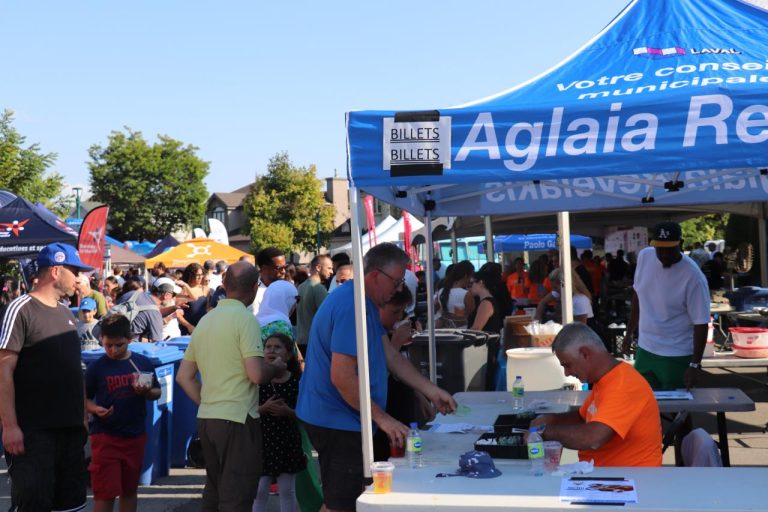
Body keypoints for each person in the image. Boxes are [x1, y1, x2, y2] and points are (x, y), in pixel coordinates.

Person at [296, 243, 457, 512]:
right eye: (396, 280)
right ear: (375, 276)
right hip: (336, 419)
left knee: (348, 499)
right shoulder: (351, 306)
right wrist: (384, 419)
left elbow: (390, 357)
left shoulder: (365, 303)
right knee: (340, 504)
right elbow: (342, 377)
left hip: (343, 417)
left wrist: (430, 390)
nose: (399, 288)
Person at [176, 261, 287, 512]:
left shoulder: (206, 320)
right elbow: (257, 374)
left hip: (208, 418)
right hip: (237, 419)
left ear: (224, 285)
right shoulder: (246, 320)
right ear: (254, 288)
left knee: (215, 491)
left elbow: (184, 377)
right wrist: (277, 368)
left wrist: (207, 403)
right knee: (236, 495)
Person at [0, 242, 93, 511]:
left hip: (71, 431)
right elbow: (3, 369)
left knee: (70, 505)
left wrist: (82, 415)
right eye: (74, 270)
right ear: (55, 270)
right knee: (34, 504)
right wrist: (10, 425)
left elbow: (73, 368)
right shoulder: (21, 309)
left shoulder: (66, 312)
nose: (78, 278)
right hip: (34, 433)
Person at [530, 323, 662, 467]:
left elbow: (593, 438)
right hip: (607, 475)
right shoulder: (606, 379)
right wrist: (551, 419)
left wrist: (544, 432)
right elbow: (582, 418)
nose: (566, 373)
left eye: (568, 365)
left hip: (630, 481)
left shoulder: (623, 384)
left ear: (585, 353)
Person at [85, 314, 161, 512]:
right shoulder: (97, 368)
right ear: (102, 339)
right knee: (104, 493)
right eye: (108, 345)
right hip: (105, 437)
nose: (113, 350)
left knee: (129, 490)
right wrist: (95, 409)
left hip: (134, 435)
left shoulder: (142, 363)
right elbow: (81, 398)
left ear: (129, 338)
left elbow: (157, 392)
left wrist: (146, 392)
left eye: (119, 345)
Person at [625, 221, 710, 390]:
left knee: (679, 410)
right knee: (643, 404)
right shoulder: (645, 257)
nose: (664, 254)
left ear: (681, 244)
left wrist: (695, 364)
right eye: (660, 248)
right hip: (646, 348)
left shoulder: (694, 277)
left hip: (677, 354)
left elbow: (701, 323)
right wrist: (629, 332)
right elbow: (638, 296)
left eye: (670, 249)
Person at [252, 333, 305, 512]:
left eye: (277, 347)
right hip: (262, 442)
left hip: (287, 442)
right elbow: (247, 410)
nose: (271, 350)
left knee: (286, 490)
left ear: (289, 355)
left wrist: (288, 412)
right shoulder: (258, 380)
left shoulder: (296, 381)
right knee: (259, 490)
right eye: (268, 347)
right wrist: (264, 408)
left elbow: (305, 414)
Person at [296, 254, 333, 352]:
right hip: (314, 342)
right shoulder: (318, 288)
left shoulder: (301, 287)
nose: (331, 272)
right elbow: (328, 317)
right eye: (329, 268)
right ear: (318, 267)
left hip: (301, 341)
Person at [434, 260, 475, 328]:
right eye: (470, 276)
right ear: (465, 276)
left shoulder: (441, 291)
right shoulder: (466, 294)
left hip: (444, 330)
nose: (470, 280)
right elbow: (470, 315)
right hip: (461, 331)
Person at [251, 247, 288, 315]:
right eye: (280, 268)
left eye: (285, 267)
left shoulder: (284, 289)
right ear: (265, 268)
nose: (284, 271)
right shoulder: (255, 295)